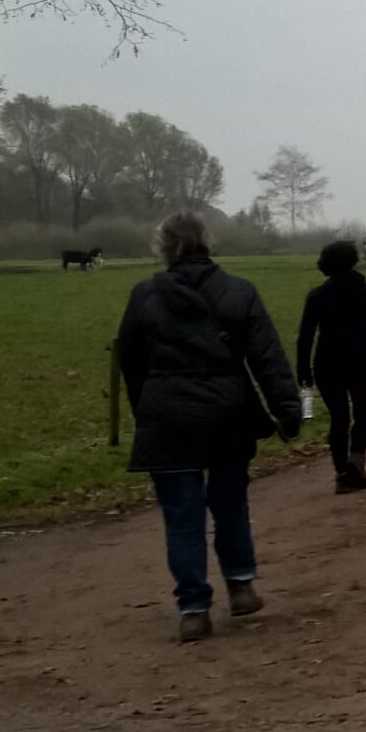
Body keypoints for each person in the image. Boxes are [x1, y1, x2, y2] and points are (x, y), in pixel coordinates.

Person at [117, 212, 301, 643]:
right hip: (228, 413)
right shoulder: (239, 292)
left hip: (168, 417)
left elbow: (131, 362)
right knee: (230, 502)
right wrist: (287, 409)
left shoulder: (144, 296)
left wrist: (145, 410)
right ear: (208, 244)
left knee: (182, 516)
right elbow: (267, 357)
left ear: (163, 247)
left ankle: (194, 608)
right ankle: (240, 585)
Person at [297, 240, 366, 494]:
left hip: (326, 361)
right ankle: (356, 458)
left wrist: (303, 371)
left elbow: (305, 335)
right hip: (359, 359)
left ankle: (341, 474)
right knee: (363, 414)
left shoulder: (317, 295)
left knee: (338, 418)